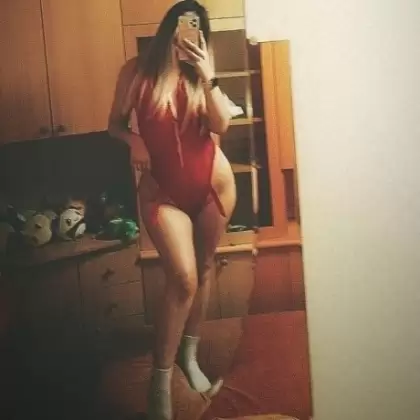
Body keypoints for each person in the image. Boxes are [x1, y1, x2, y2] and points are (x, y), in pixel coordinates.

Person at [108, 1, 237, 419]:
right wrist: (134, 140)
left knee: (205, 268)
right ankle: (160, 381)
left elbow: (222, 125)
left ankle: (189, 358)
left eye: (197, 29)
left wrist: (208, 74)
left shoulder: (203, 74)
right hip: (162, 191)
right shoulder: (136, 72)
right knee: (182, 277)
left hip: (213, 185)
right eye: (183, 27)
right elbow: (114, 124)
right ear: (170, 30)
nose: (188, 36)